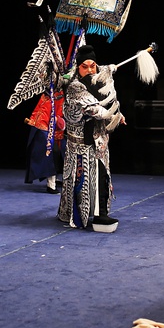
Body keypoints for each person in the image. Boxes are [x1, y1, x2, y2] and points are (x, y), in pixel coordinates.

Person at [57, 44, 125, 232]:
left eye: (92, 66)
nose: (89, 70)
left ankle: (101, 214)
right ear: (78, 68)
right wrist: (113, 116)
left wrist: (118, 114)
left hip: (99, 141)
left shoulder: (100, 81)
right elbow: (94, 109)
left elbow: (110, 101)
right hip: (80, 144)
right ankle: (79, 214)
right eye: (84, 66)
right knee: (81, 181)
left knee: (102, 177)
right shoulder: (75, 86)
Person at [24, 88, 66, 194]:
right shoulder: (47, 96)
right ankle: (51, 184)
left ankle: (56, 178)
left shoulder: (66, 93)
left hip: (62, 125)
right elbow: (42, 114)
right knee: (52, 151)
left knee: (64, 152)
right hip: (46, 126)